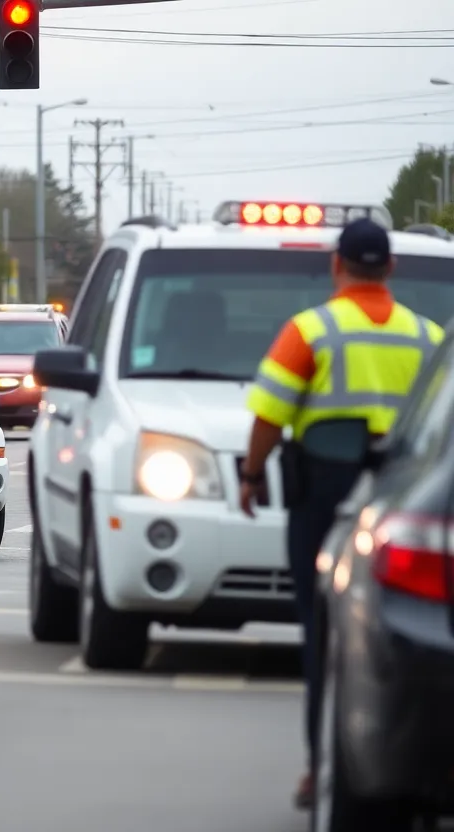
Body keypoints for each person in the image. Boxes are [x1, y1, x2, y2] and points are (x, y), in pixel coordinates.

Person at [237, 218, 444, 811]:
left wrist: (252, 476)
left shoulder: (311, 331)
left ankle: (321, 766)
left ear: (337, 265)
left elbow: (269, 416)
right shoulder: (429, 339)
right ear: (392, 269)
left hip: (324, 502)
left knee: (323, 632)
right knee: (401, 637)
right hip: (406, 507)